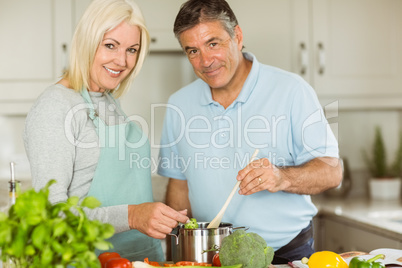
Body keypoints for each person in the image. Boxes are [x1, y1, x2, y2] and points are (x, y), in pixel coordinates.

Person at [157, 0, 342, 264]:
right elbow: (179, 185)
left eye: (213, 43)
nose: (206, 61)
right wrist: (176, 249)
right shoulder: (179, 103)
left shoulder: (292, 91)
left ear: (238, 36)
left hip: (285, 252)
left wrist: (282, 178)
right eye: (192, 51)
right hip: (209, 256)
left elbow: (331, 171)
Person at [23, 0, 189, 262]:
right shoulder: (55, 106)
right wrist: (133, 215)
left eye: (132, 50)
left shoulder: (109, 100)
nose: (122, 61)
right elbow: (52, 215)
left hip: (141, 258)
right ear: (87, 42)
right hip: (86, 260)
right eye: (110, 45)